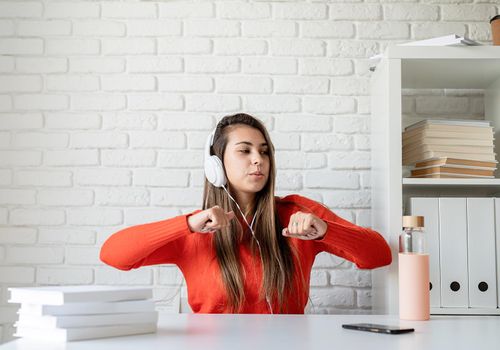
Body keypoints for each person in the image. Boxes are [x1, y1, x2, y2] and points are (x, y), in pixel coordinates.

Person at [100, 113, 392, 314]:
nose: (258, 160)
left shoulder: (298, 215)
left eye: (264, 152)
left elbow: (379, 255)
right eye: (245, 151)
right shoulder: (196, 230)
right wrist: (187, 225)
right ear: (215, 165)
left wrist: (327, 230)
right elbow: (114, 254)